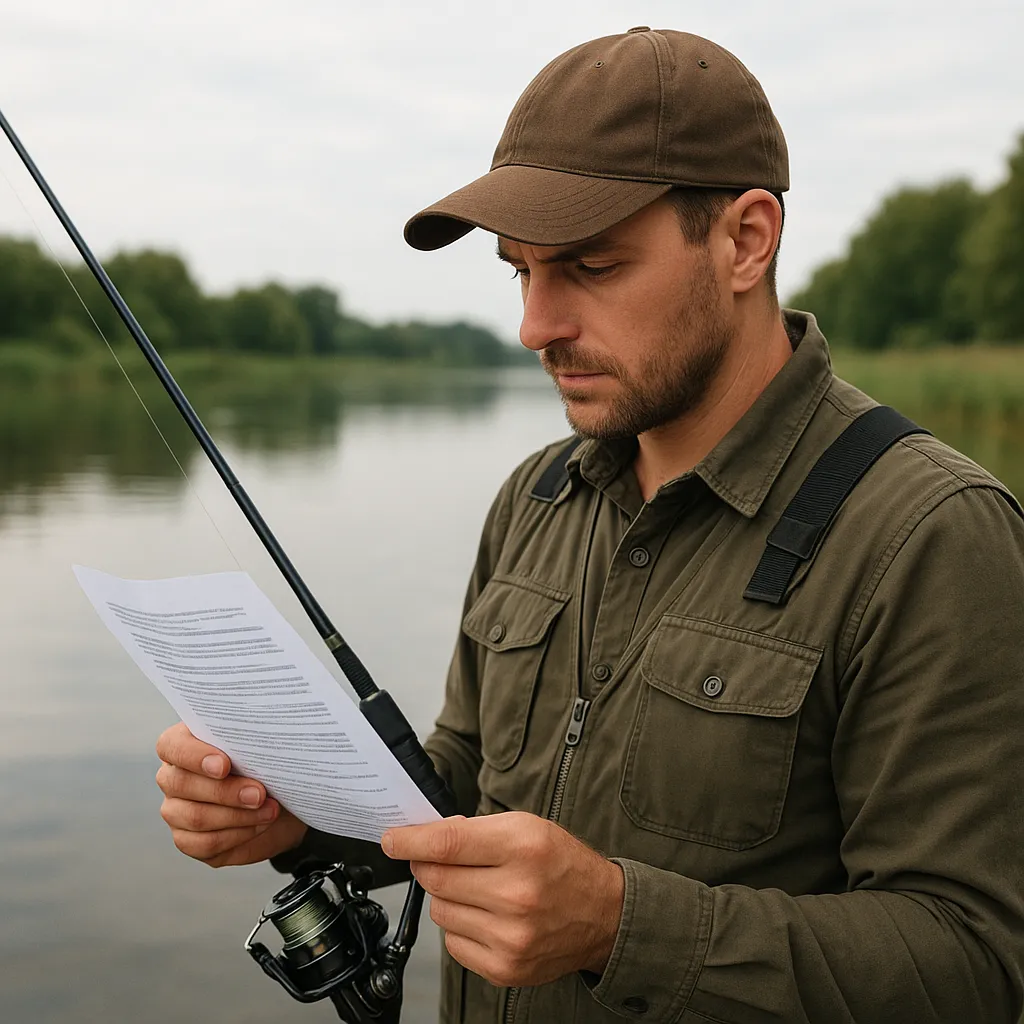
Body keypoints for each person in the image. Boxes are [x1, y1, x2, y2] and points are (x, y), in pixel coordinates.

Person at [155, 27, 1024, 1023]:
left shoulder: (931, 534)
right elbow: (463, 796)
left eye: (590, 266)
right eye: (519, 271)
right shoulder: (534, 499)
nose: (535, 324)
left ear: (745, 239)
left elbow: (978, 962)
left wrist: (619, 926)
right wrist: (295, 816)